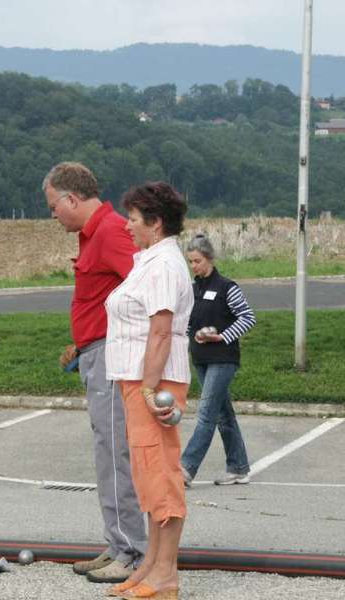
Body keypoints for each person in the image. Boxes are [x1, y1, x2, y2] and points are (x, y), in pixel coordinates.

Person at [43, 162, 147, 584]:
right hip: (96, 351)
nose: (52, 214)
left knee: (115, 452)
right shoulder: (97, 233)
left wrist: (109, 340)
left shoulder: (110, 232)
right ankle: (120, 543)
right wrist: (84, 340)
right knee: (108, 451)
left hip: (111, 356)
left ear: (71, 198)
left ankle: (133, 552)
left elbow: (145, 289)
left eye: (53, 206)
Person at [103, 181, 193, 600]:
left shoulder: (163, 264)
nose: (127, 226)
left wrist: (150, 387)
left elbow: (160, 331)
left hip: (152, 380)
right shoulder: (150, 260)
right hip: (138, 379)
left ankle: (166, 575)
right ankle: (151, 566)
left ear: (155, 223)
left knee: (161, 475)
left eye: (134, 219)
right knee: (148, 477)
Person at [181, 234, 256, 487]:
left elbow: (247, 317)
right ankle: (238, 467)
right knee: (224, 414)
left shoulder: (227, 287)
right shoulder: (193, 290)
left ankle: (185, 469)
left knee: (206, 414)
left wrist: (222, 336)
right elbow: (188, 323)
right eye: (190, 262)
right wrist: (196, 333)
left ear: (210, 259)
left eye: (198, 261)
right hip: (200, 358)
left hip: (223, 359)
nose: (194, 266)